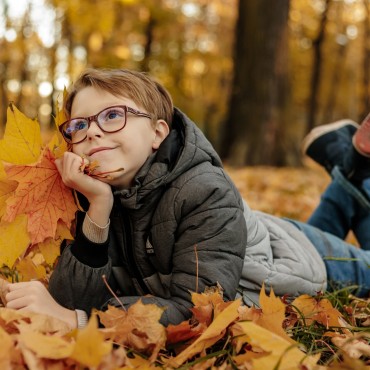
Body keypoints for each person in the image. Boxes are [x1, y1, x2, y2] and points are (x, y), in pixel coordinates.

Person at [3, 68, 370, 330]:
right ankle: (350, 167)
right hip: (260, 236)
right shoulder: (93, 194)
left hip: (302, 258)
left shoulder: (204, 190)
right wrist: (98, 208)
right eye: (79, 125)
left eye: (112, 115)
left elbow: (198, 310)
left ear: (158, 133)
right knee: (334, 219)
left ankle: (350, 166)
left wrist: (79, 323)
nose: (93, 131)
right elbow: (70, 296)